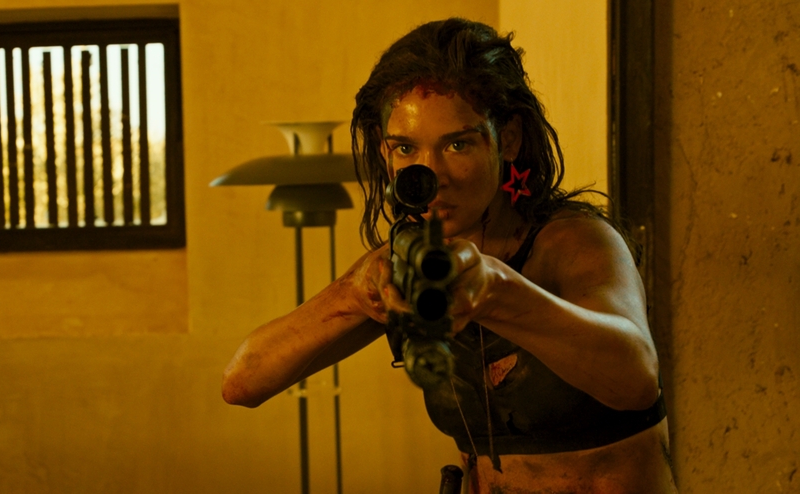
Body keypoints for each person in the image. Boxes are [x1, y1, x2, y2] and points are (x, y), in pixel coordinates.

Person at [221, 18, 677, 494]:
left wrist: (496, 291)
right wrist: (353, 295)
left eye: (458, 144)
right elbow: (242, 382)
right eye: (405, 148)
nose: (432, 174)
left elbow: (636, 377)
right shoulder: (408, 259)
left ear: (509, 139)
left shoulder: (574, 241)